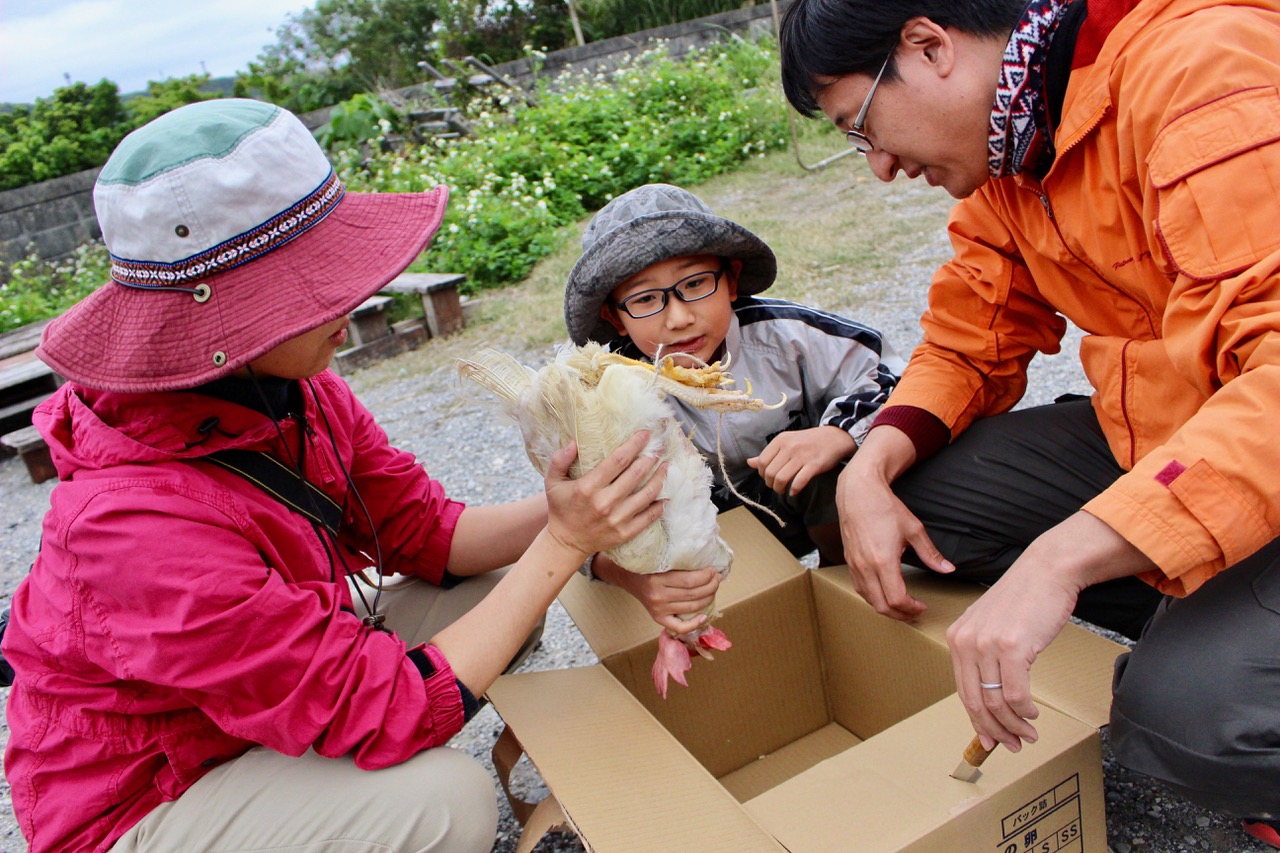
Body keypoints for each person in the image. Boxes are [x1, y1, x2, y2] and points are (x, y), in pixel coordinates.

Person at [1, 98, 667, 853]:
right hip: (151, 796)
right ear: (222, 323)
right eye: (314, 285)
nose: (353, 300)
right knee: (446, 802)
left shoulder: (297, 388)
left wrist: (561, 512)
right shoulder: (131, 522)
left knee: (499, 597)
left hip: (243, 709)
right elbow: (394, 707)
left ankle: (318, 786)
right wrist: (567, 544)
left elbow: (426, 533)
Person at [779, 0, 1280, 844]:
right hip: (1183, 438)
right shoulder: (1014, 147)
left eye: (861, 126)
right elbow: (972, 332)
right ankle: (1209, 616)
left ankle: (1230, 687)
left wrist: (1062, 556)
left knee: (1184, 718)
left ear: (929, 45)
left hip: (1252, 432)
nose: (880, 168)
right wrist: (870, 462)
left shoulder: (1200, 72)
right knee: (900, 503)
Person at [562, 182, 900, 634]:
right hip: (699, 541)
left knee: (839, 467)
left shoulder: (788, 337)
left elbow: (891, 372)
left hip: (809, 508)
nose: (679, 317)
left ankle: (846, 590)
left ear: (732, 279)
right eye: (644, 299)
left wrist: (836, 432)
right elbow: (568, 517)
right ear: (612, 315)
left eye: (696, 284)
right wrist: (631, 579)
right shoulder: (600, 395)